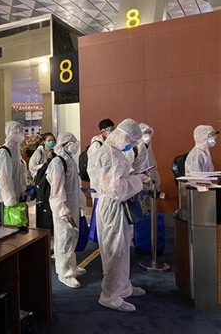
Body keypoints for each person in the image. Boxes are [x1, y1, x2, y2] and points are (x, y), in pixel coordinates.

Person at [89, 118, 149, 312]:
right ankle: (110, 296)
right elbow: (115, 190)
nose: (131, 145)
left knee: (122, 249)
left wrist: (133, 178)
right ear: (123, 135)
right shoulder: (109, 155)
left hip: (117, 207)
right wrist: (138, 181)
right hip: (113, 206)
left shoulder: (114, 152)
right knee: (115, 251)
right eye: (131, 141)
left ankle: (123, 287)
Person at [46, 132, 86, 288]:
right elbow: (56, 190)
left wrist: (80, 203)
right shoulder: (58, 162)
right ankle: (64, 273)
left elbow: (74, 186)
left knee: (72, 238)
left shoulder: (69, 160)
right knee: (64, 239)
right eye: (72, 142)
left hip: (72, 205)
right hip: (63, 208)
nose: (75, 144)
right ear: (64, 144)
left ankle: (71, 266)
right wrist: (62, 209)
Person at [86, 118, 115, 243]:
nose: (112, 132)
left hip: (106, 184)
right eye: (110, 129)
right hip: (98, 184)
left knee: (104, 211)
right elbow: (94, 167)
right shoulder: (96, 144)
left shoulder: (107, 143)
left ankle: (102, 234)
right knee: (99, 210)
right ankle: (97, 235)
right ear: (103, 131)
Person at [0, 121, 25, 207]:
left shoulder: (16, 151)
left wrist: (21, 189)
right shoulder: (3, 153)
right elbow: (4, 180)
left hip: (15, 194)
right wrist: (10, 200)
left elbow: (18, 173)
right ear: (11, 133)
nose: (21, 135)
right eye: (18, 132)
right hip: (6, 200)